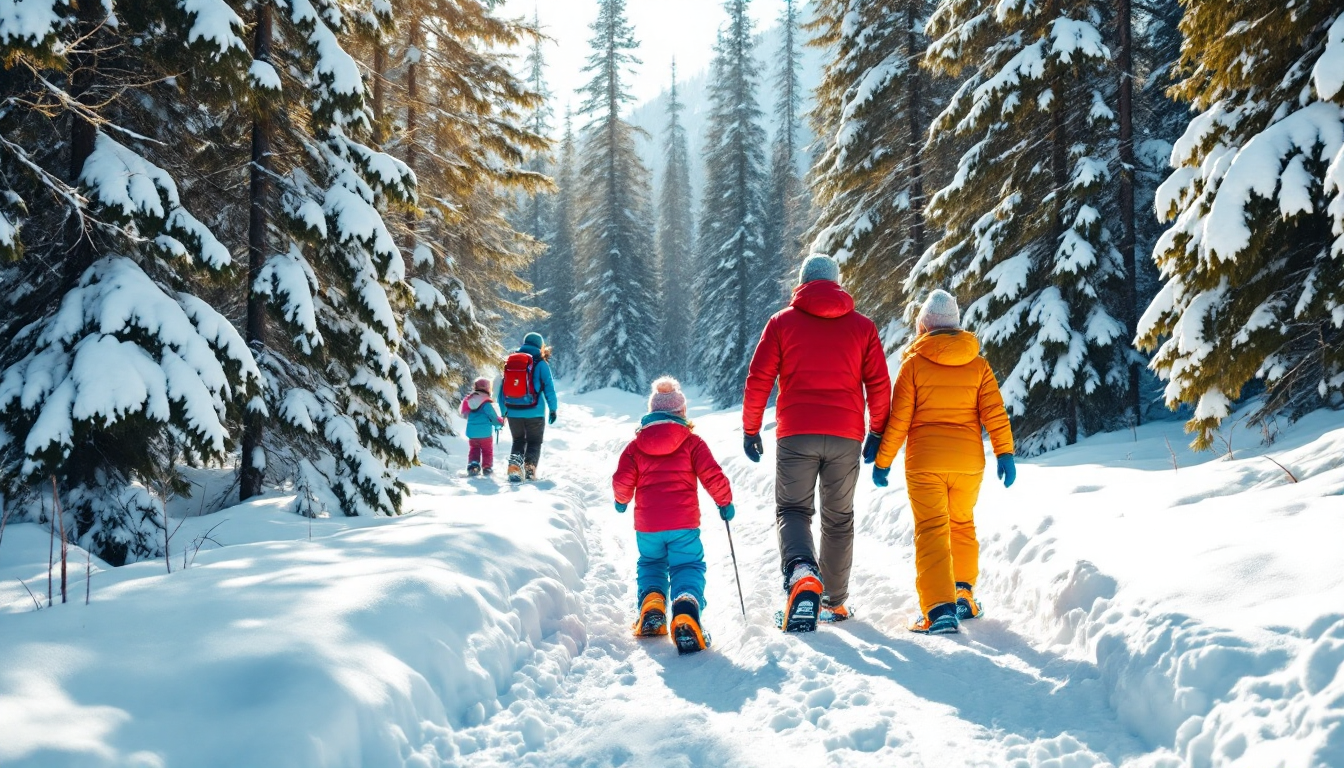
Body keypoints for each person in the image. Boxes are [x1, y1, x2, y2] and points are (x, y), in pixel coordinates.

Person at [742, 254, 891, 633]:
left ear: (803, 282)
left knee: (792, 510)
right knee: (839, 519)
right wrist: (877, 432)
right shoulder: (863, 327)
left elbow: (759, 378)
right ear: (836, 283)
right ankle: (834, 603)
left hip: (796, 433)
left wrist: (750, 428)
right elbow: (878, 384)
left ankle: (803, 575)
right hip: (845, 436)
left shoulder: (782, 322)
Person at [872, 289, 1015, 635]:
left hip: (925, 463)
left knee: (932, 531)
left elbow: (900, 420)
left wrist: (883, 461)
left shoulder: (913, 365)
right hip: (968, 463)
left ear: (924, 326)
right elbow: (995, 413)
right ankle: (963, 593)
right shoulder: (978, 364)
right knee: (962, 523)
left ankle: (939, 609)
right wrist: (1005, 452)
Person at [613, 377, 734, 655]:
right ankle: (686, 608)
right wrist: (724, 502)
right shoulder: (693, 442)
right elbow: (712, 475)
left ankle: (653, 608)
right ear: (681, 412)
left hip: (648, 526)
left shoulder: (635, 445)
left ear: (652, 411)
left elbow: (622, 479)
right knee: (687, 565)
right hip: (683, 524)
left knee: (652, 563)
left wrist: (621, 501)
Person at [498, 331, 558, 482]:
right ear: (540, 346)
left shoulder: (511, 361)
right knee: (534, 441)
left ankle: (514, 468)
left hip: (512, 410)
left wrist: (504, 410)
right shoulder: (540, 363)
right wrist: (553, 409)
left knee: (518, 440)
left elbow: (502, 389)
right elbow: (549, 388)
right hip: (535, 412)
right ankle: (530, 469)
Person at [460, 378, 504, 476]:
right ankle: (487, 467)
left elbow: (464, 414)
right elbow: (493, 417)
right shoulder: (486, 403)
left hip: (472, 433)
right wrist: (499, 423)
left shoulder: (469, 400)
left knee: (474, 449)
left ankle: (473, 465)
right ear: (488, 389)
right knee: (487, 451)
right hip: (485, 434)